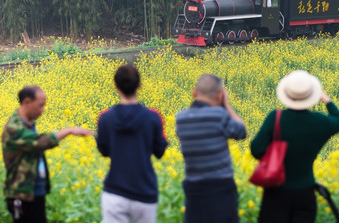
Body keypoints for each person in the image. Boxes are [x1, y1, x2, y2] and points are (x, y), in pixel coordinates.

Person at [250, 70, 339, 223]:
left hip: (276, 193)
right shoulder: (320, 122)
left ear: (287, 94)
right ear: (312, 96)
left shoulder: (276, 117)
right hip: (305, 194)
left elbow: (256, 150)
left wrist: (275, 154)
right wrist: (326, 99)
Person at [2, 85, 93, 223]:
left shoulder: (28, 124)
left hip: (35, 191)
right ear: (27, 102)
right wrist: (69, 131)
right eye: (40, 106)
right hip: (21, 195)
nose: (43, 110)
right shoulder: (14, 127)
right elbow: (39, 142)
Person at [96, 65, 168, 223]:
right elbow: (160, 152)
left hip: (114, 190)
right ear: (139, 85)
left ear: (116, 86)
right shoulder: (153, 117)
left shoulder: (105, 118)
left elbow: (104, 151)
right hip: (144, 191)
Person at [176, 74, 246, 223]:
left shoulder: (180, 119)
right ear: (220, 95)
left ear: (194, 93)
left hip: (194, 190)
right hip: (221, 189)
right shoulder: (220, 115)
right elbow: (241, 132)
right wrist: (226, 105)